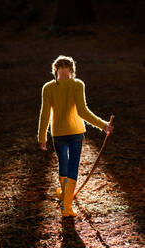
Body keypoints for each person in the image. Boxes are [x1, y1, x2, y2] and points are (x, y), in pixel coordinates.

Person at [37, 55, 113, 217]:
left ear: (54, 69)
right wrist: (103, 125)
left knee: (63, 163)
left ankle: (65, 197)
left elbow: (45, 115)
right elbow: (82, 112)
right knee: (72, 165)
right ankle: (67, 206)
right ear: (72, 70)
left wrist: (42, 137)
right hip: (76, 132)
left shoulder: (48, 87)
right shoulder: (77, 84)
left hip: (58, 133)